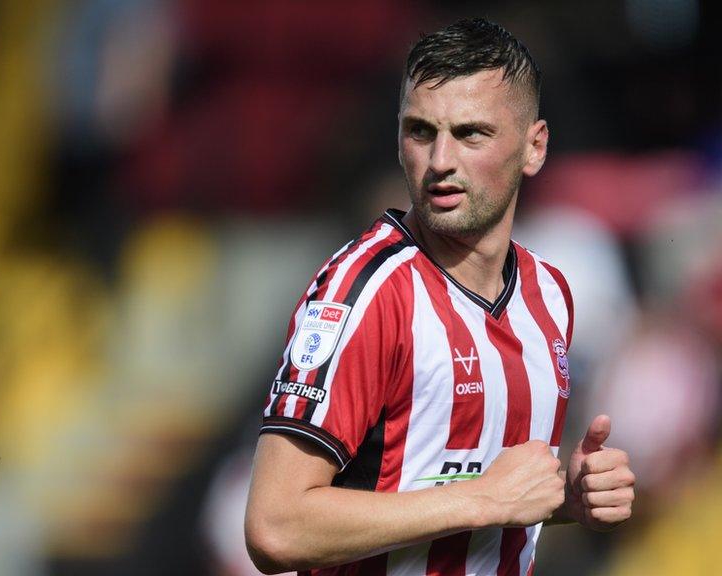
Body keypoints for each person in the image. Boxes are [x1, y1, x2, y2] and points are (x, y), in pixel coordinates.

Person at [244, 18, 636, 575]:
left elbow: (456, 482)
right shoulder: (368, 293)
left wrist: (563, 499)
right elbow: (274, 526)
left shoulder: (549, 295)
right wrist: (484, 499)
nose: (440, 162)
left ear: (534, 147)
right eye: (420, 131)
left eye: (471, 133)